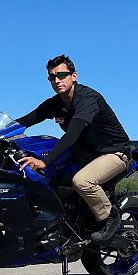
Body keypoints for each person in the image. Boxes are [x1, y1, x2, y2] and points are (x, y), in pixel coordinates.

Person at [15, 55, 131, 244]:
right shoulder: (56, 103)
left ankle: (110, 216)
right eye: (52, 77)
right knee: (48, 178)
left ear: (73, 76)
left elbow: (72, 135)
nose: (57, 80)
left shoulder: (88, 99)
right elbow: (28, 119)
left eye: (61, 75)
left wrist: (44, 161)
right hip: (84, 153)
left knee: (82, 181)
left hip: (113, 153)